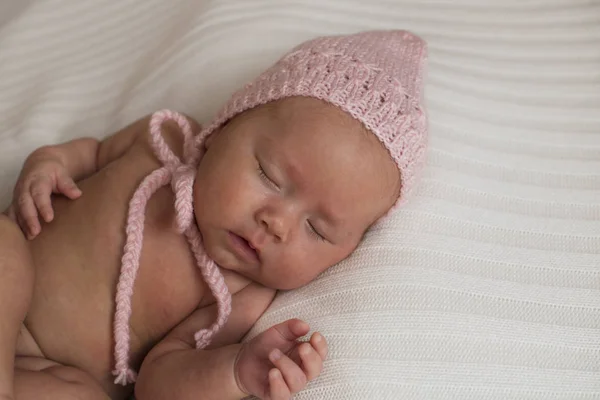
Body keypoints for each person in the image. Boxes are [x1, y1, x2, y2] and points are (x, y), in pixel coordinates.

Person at [0, 30, 427, 400]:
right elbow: (89, 153)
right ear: (224, 126)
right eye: (269, 176)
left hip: (44, 377)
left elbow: (157, 384)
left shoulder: (241, 295)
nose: (276, 223)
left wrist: (235, 370)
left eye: (316, 229)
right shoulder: (162, 140)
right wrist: (47, 164)